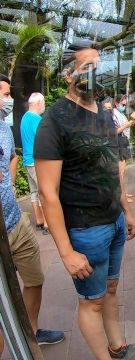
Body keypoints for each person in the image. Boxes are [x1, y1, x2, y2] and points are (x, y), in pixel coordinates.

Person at [34, 42, 135, 360]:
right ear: (68, 74)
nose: (95, 73)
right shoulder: (54, 122)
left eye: (98, 65)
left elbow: (111, 166)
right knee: (92, 301)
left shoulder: (102, 109)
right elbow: (47, 193)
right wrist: (66, 252)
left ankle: (118, 348)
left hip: (113, 220)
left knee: (111, 289)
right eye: (87, 67)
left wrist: (126, 210)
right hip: (86, 230)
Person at [0, 74, 64, 353]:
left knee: (35, 278)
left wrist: (9, 186)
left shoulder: (5, 125)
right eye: (2, 94)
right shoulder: (35, 119)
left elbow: (11, 156)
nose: (6, 100)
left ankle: (32, 331)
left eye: (6, 93)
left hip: (15, 220)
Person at [19, 92, 48, 234]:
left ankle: (39, 221)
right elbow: (45, 141)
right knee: (44, 191)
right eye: (43, 103)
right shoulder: (37, 119)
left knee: (34, 191)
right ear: (37, 103)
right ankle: (48, 224)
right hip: (37, 161)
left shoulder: (24, 118)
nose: (44, 106)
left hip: (27, 160)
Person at [111, 95, 134, 202]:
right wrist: (126, 125)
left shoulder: (120, 113)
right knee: (120, 171)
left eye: (125, 104)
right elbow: (115, 131)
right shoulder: (113, 114)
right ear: (116, 103)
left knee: (123, 170)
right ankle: (121, 197)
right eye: (122, 103)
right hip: (119, 142)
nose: (124, 105)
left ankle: (123, 193)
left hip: (123, 141)